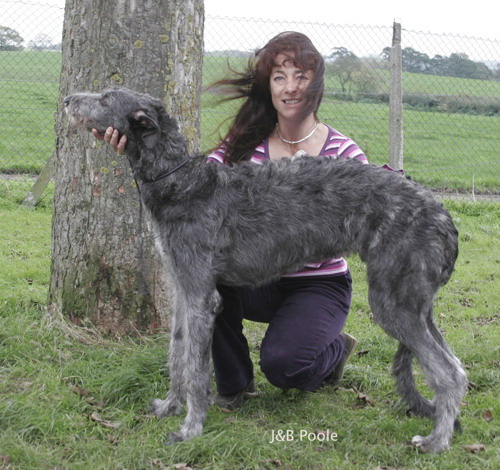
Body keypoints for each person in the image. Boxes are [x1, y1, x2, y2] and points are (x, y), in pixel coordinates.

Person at [94, 31, 367, 412]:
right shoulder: (243, 145)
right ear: (268, 87)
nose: (290, 88)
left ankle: (333, 351)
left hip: (317, 283)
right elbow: (191, 192)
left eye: (301, 77)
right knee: (204, 274)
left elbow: (361, 221)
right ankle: (235, 386)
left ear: (315, 85)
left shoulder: (344, 153)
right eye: (279, 77)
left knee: (287, 368)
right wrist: (135, 146)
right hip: (256, 277)